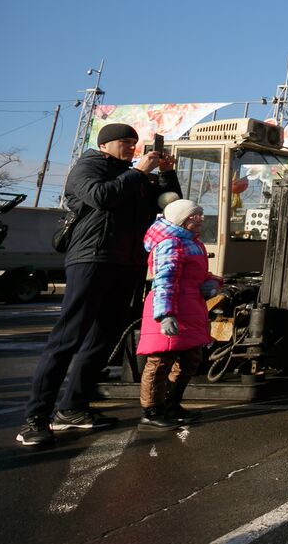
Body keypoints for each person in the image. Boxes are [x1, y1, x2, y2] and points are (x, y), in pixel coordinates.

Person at [16, 123, 180, 446]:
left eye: (135, 143)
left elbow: (170, 207)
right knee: (67, 338)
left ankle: (72, 408)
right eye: (124, 142)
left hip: (127, 265)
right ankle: (35, 418)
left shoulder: (136, 176)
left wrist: (164, 175)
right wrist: (138, 173)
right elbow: (101, 197)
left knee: (103, 340)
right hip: (91, 259)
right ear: (105, 144)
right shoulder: (89, 166)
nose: (132, 148)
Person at [138, 199, 220, 429]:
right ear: (183, 218)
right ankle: (152, 411)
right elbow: (164, 280)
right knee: (161, 360)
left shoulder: (192, 243)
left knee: (191, 357)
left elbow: (195, 275)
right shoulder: (170, 244)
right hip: (171, 308)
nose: (201, 219)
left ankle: (171, 403)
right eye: (196, 215)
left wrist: (209, 283)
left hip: (189, 307)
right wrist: (165, 315)